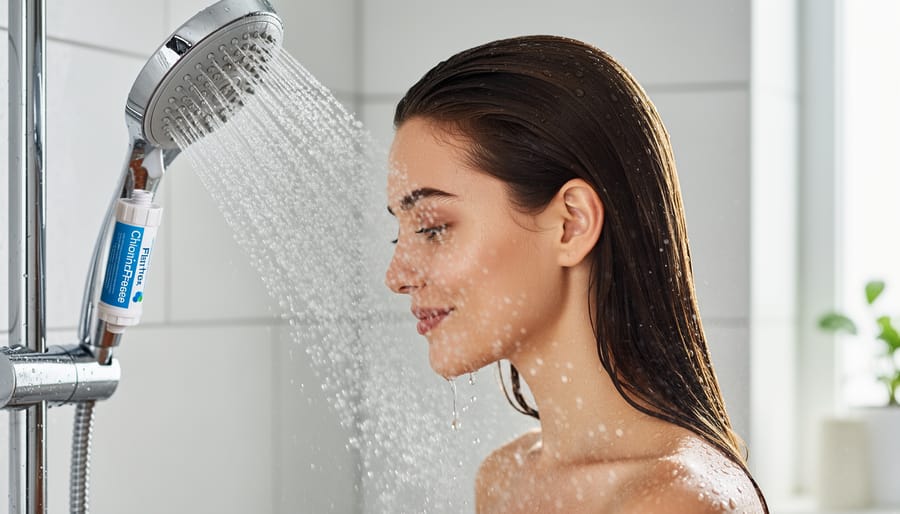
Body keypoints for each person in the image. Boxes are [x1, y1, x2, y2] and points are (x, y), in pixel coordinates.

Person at [384, 35, 767, 513]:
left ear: (571, 224)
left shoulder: (673, 500)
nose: (397, 275)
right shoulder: (505, 479)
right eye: (398, 235)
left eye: (434, 228)